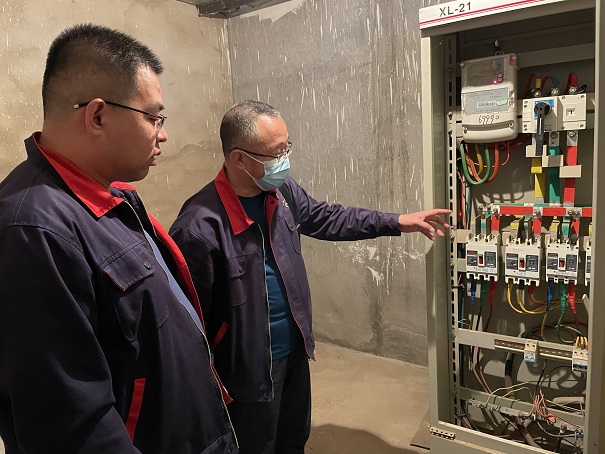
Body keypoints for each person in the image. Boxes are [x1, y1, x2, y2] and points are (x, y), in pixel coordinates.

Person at [0, 24, 237, 454]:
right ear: (97, 116)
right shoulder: (33, 231)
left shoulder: (112, 197)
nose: (163, 134)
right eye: (153, 117)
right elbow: (72, 425)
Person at [169, 100, 451, 454]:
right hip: (247, 370)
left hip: (294, 350)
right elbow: (189, 324)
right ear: (239, 158)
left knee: (293, 439)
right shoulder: (198, 227)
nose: (285, 160)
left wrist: (396, 222)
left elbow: (325, 217)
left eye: (286, 147)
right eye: (276, 153)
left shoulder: (280, 192)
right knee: (255, 445)